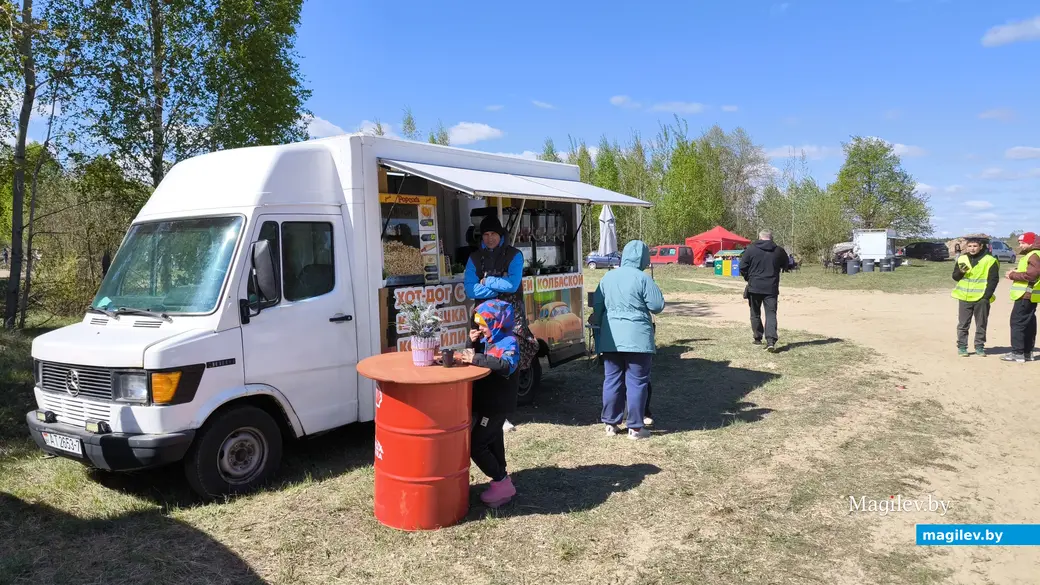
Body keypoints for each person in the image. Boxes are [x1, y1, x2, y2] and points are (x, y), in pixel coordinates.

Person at [464, 214, 538, 432]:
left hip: (509, 319)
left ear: (501, 235)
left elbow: (513, 284)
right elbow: (470, 289)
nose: (489, 238)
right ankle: (481, 409)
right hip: (482, 318)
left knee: (506, 364)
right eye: (485, 234)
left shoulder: (514, 255)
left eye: (493, 234)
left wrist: (486, 280)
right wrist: (498, 284)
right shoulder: (474, 258)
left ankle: (501, 414)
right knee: (479, 357)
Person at [589, 240, 665, 440]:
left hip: (611, 338)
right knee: (637, 382)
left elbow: (597, 306)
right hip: (638, 338)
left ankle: (610, 424)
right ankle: (635, 428)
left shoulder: (608, 277)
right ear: (645, 258)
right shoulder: (643, 278)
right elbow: (657, 305)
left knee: (612, 379)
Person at [457, 299, 520, 508]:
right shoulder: (488, 340)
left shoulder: (509, 343)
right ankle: (501, 481)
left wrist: (475, 357)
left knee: (476, 445)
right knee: (493, 441)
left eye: (483, 323)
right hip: (486, 403)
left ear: (497, 322)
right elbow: (477, 358)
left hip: (496, 405)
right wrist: (472, 344)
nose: (480, 328)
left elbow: (505, 365)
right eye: (477, 323)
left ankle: (501, 482)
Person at [739, 229, 789, 352]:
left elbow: (742, 267)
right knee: (771, 314)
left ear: (759, 237)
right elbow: (786, 264)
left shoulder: (750, 249)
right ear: (771, 238)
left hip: (754, 286)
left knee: (755, 313)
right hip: (771, 287)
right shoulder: (779, 250)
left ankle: (757, 337)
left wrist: (748, 278)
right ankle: (771, 341)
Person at [952, 235, 999, 357]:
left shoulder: (990, 260)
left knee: (981, 324)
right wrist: (960, 272)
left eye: (975, 246)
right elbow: (955, 277)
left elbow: (993, 280)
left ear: (981, 247)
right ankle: (962, 347)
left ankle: (979, 346)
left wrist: (985, 297)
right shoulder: (962, 259)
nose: (972, 249)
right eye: (970, 246)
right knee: (963, 324)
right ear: (966, 247)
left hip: (981, 299)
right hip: (964, 297)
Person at [1004, 232, 1040, 362]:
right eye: (1020, 242)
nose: (1021, 245)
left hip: (1025, 294)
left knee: (1017, 322)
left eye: (1023, 242)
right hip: (1031, 294)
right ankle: (1027, 352)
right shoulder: (1034, 254)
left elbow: (1032, 275)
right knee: (1029, 322)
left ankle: (1017, 352)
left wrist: (1012, 275)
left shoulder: (1034, 255)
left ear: (1031, 243)